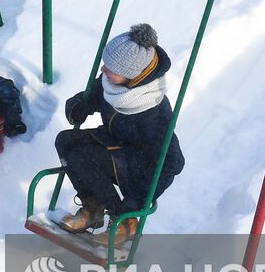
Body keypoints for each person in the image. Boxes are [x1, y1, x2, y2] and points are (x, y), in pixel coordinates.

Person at [54, 23, 185, 241]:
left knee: (81, 156)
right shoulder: (112, 83)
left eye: (111, 69)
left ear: (131, 75)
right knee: (65, 141)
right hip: (114, 144)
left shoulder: (154, 112)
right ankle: (93, 208)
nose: (103, 70)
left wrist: (134, 203)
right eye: (105, 64)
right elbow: (94, 96)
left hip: (138, 165)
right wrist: (79, 105)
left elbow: (173, 162)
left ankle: (125, 220)